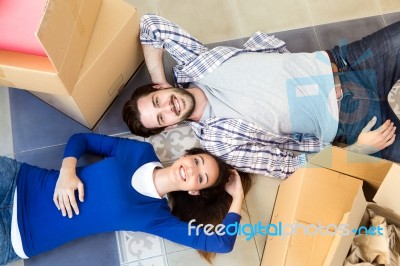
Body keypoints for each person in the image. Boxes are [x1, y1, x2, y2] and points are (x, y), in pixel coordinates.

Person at [123, 14, 399, 179]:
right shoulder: (220, 143)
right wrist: (359, 150)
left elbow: (150, 24)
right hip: (356, 124)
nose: (169, 107)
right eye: (162, 117)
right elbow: (291, 167)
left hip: (349, 62)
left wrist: (158, 78)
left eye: (158, 100)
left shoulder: (195, 63)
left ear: (160, 89)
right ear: (170, 126)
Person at [0, 133, 252, 265]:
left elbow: (221, 243)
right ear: (186, 155)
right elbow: (82, 139)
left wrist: (237, 197)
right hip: (17, 180)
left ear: (195, 191)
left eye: (201, 178)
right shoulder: (140, 151)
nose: (193, 171)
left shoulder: (155, 218)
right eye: (196, 161)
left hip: (16, 237)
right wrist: (67, 171)